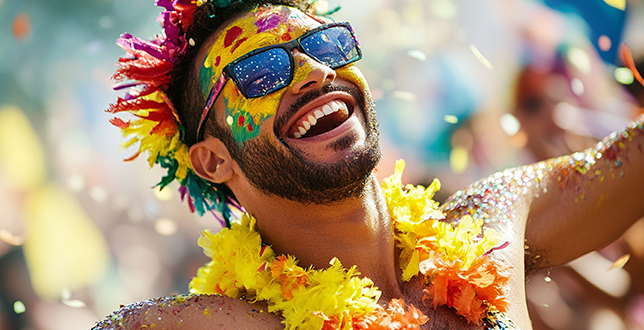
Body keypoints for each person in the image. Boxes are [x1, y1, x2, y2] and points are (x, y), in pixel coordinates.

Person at [92, 0, 644, 329]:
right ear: (213, 160)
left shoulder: (490, 227)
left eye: (327, 45)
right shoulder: (225, 325)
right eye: (261, 72)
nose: (313, 71)